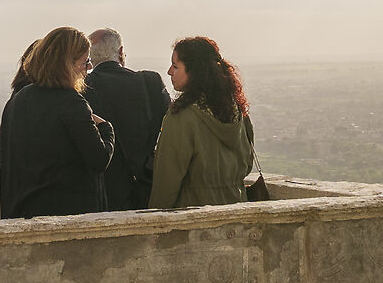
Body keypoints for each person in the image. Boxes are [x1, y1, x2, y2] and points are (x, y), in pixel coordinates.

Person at [0, 26, 116, 218]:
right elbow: (99, 159)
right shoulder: (70, 102)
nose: (88, 69)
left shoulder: (19, 100)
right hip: (65, 218)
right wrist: (105, 128)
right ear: (68, 64)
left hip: (21, 213)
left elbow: (3, 152)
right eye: (85, 62)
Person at [147, 35, 256, 210]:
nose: (169, 71)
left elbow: (167, 181)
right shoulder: (238, 111)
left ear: (194, 72)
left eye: (176, 66)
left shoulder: (182, 116)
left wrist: (154, 221)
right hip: (237, 213)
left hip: (195, 221)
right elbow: (247, 163)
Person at [82, 28, 170, 211]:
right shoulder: (150, 82)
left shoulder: (83, 88)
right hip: (146, 188)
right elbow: (171, 122)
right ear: (121, 52)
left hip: (102, 194)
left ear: (90, 58)